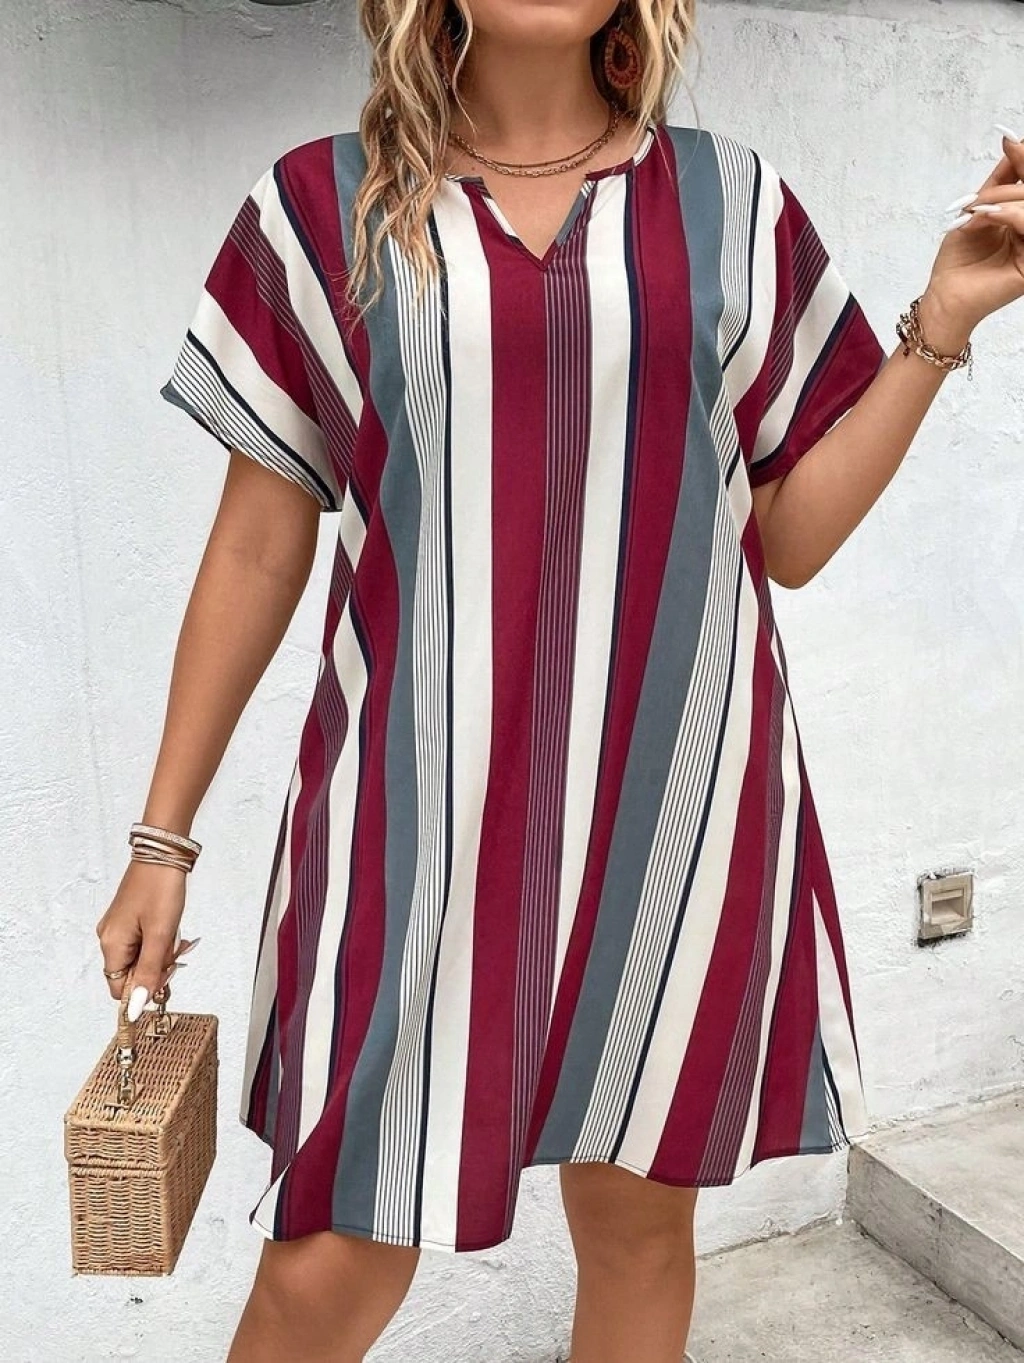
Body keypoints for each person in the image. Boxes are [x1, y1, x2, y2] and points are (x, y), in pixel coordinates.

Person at [94, 1, 1024, 1359]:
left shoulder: (731, 204)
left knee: (638, 1226)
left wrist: (940, 320)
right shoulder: (321, 210)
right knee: (327, 1262)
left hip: (676, 810)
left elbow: (790, 536)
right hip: (410, 821)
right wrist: (162, 838)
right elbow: (255, 545)